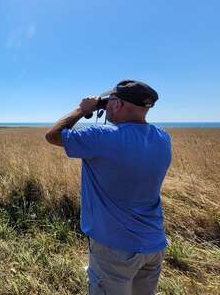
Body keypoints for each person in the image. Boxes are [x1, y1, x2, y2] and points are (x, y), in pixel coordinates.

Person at [45, 80, 172, 295]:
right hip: (153, 243)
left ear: (118, 104)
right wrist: (108, 105)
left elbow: (53, 135)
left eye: (110, 101)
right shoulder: (162, 138)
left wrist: (82, 109)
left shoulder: (102, 137)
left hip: (115, 248)